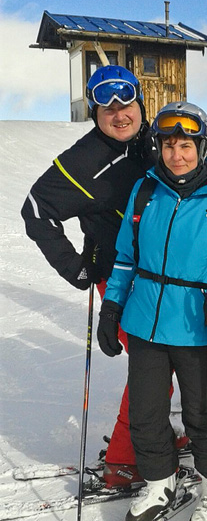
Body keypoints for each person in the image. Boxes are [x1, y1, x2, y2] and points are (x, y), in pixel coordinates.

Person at [96, 101, 207, 521]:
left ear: (202, 147)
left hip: (198, 325)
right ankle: (159, 484)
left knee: (203, 415)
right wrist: (112, 308)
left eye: (186, 146)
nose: (176, 155)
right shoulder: (145, 190)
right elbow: (126, 257)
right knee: (146, 412)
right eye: (168, 146)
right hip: (146, 322)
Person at [21, 65, 158, 489]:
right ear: (95, 113)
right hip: (120, 278)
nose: (119, 114)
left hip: (162, 274)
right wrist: (74, 267)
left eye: (126, 103)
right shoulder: (84, 160)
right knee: (151, 369)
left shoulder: (153, 141)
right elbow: (36, 209)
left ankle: (151, 437)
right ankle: (124, 460)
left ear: (140, 104)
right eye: (107, 108)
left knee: (166, 364)